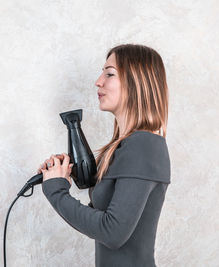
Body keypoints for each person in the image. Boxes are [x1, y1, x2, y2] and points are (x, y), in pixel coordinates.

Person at [37, 43, 170, 267]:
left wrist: (56, 191)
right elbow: (103, 219)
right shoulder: (127, 146)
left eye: (109, 74)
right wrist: (59, 180)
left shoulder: (143, 145)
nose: (98, 81)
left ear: (136, 82)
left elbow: (112, 232)